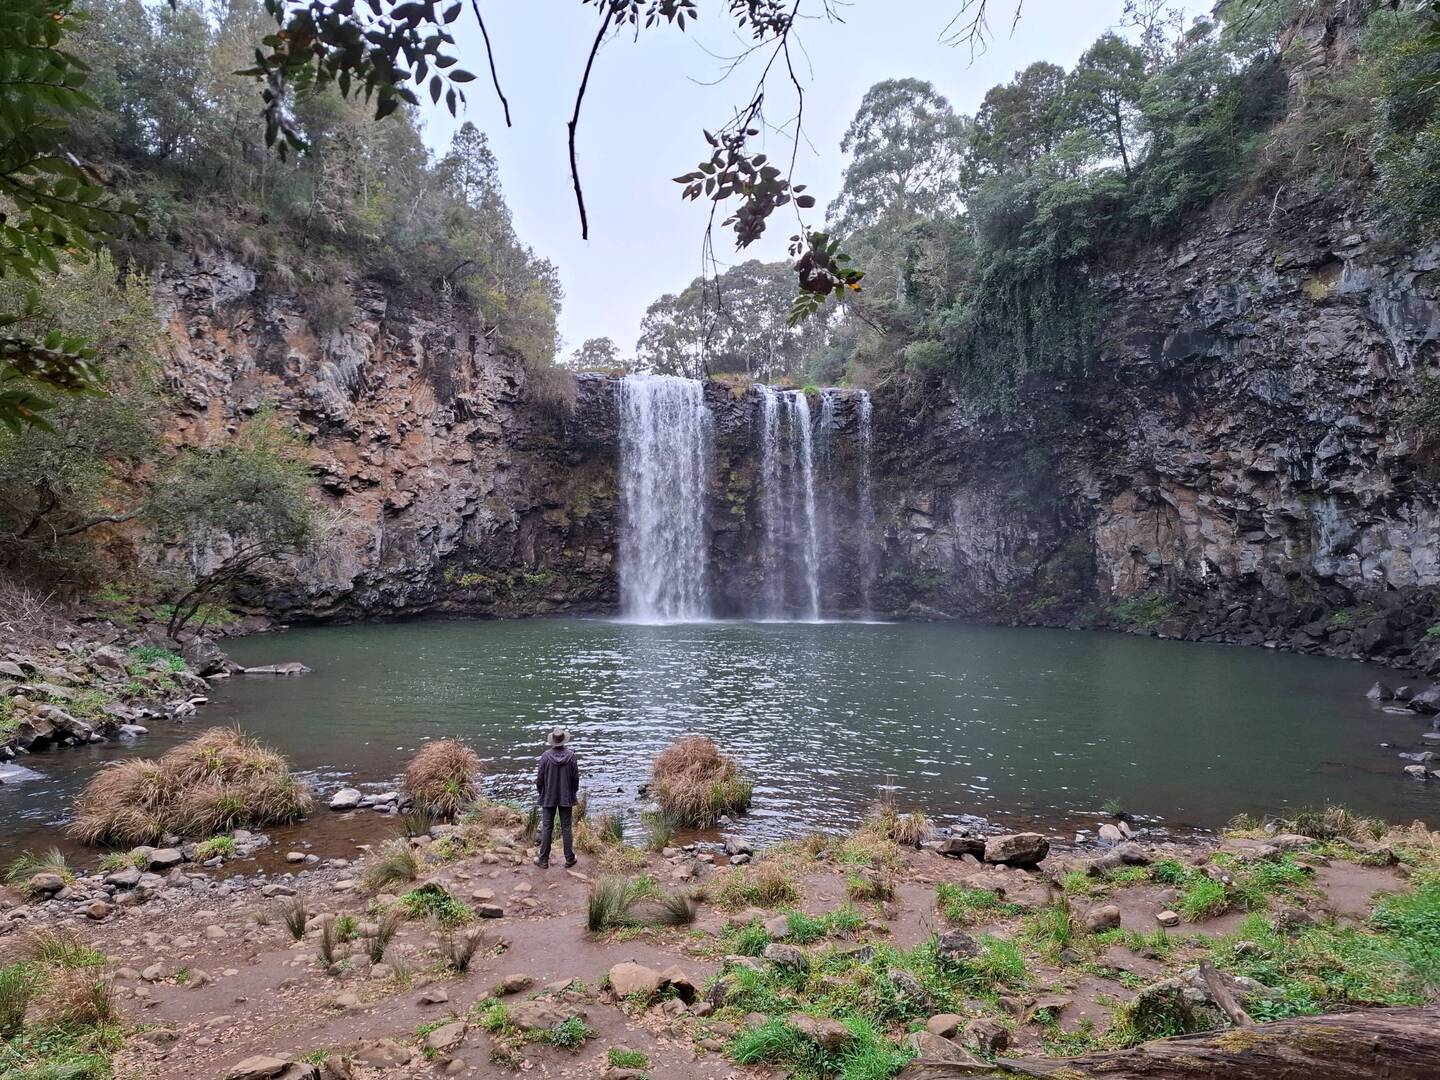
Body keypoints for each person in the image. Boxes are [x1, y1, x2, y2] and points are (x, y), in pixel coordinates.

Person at [534, 727, 579, 868]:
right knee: (566, 827)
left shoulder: (545, 756)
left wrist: (542, 792)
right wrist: (572, 792)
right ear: (563, 740)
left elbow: (540, 779)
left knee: (547, 827)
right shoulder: (571, 756)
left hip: (548, 797)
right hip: (566, 797)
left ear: (552, 741)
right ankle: (569, 858)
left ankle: (543, 860)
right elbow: (575, 779)